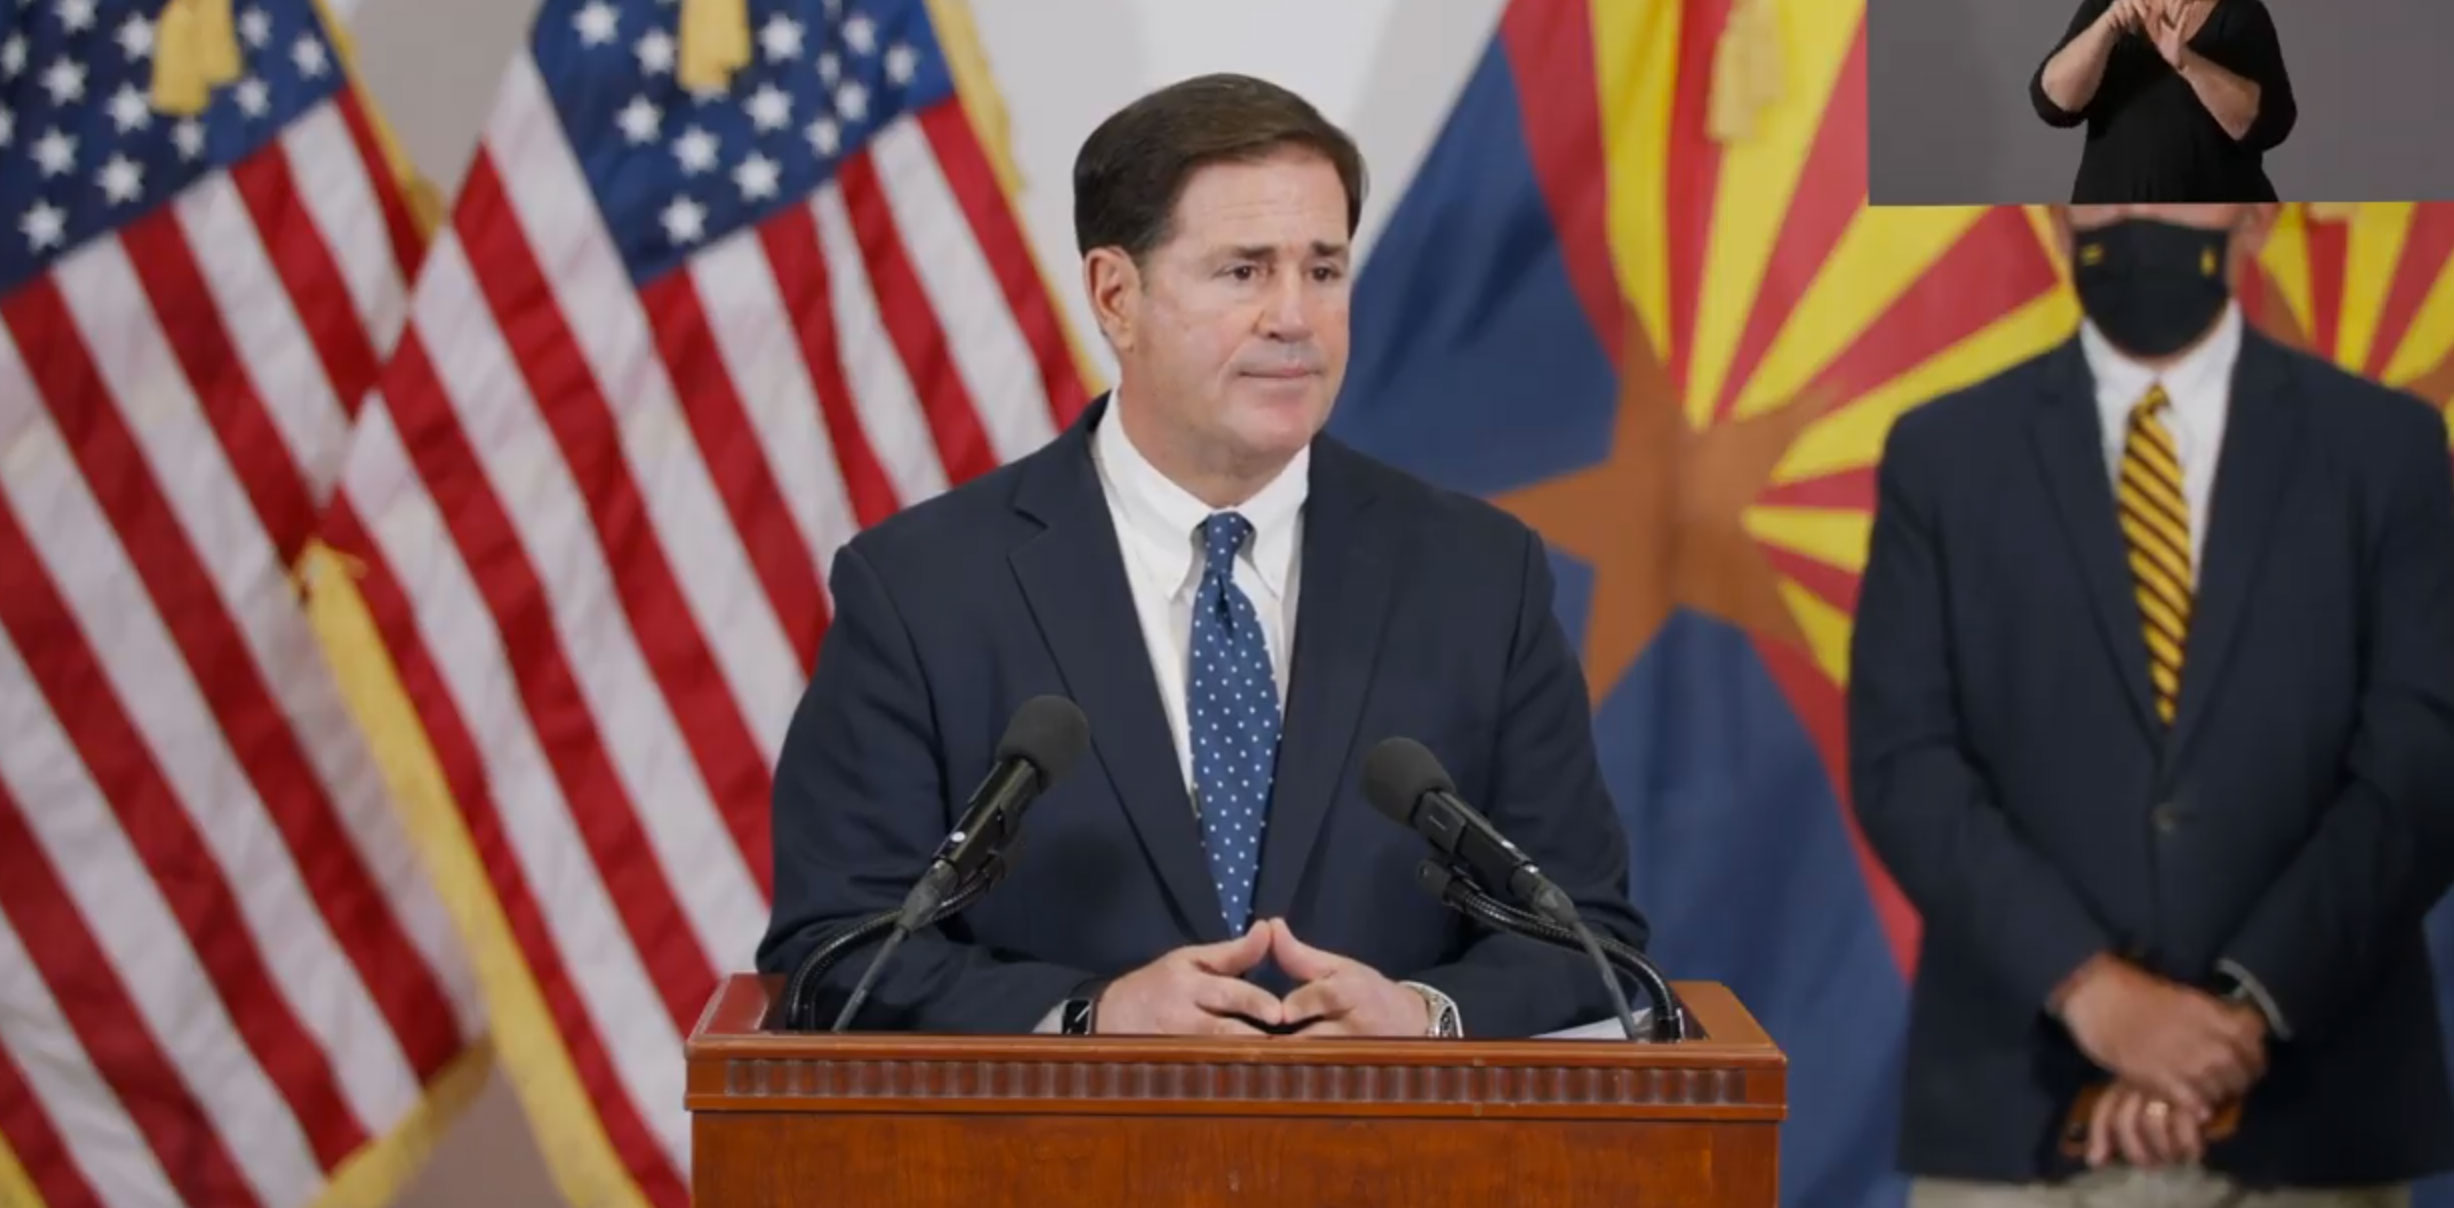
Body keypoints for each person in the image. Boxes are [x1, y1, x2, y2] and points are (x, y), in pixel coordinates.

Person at [755, 73, 1648, 1039]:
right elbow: (835, 950)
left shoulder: (1481, 577)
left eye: (1324, 270)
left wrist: (1426, 1018)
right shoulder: (923, 591)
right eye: (1243, 271)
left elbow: (1588, 937)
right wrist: (1090, 1019)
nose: (1295, 319)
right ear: (1116, 295)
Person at [1850, 201, 2454, 1206]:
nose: (2138, 202)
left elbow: (2422, 764)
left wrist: (2241, 1011)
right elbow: (1905, 762)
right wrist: (2097, 993)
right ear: (2055, 212)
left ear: (2257, 210)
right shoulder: (1942, 454)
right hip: (2020, 1113)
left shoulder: (2387, 448)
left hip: (2312, 1116)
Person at [2032, 0, 2296, 203]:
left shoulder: (2241, 13)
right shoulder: (2107, 6)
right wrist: (2106, 27)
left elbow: (2268, 123)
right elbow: (2053, 103)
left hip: (2215, 237)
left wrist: (2187, 62)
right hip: (2113, 233)